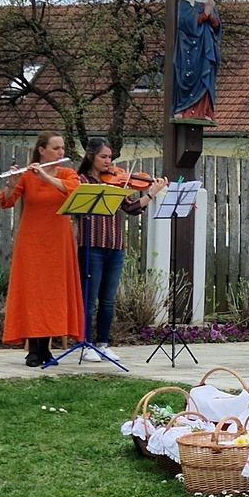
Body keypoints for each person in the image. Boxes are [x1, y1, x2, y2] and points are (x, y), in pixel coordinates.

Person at [75, 138, 169, 362]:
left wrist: (152, 192)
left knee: (108, 300)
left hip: (115, 247)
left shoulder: (117, 183)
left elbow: (132, 208)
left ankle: (103, 344)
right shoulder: (81, 181)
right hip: (91, 246)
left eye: (110, 157)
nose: (108, 161)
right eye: (103, 157)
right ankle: (85, 344)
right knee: (89, 300)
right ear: (91, 157)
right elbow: (75, 208)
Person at [0, 131, 83, 366]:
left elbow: (73, 190)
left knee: (53, 295)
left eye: (62, 148)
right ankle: (34, 351)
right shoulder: (27, 175)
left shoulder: (67, 173)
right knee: (33, 294)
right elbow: (6, 202)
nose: (61, 152)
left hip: (58, 242)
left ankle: (46, 350)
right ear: (42, 150)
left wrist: (46, 176)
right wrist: (12, 184)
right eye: (55, 148)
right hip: (32, 242)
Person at [172, 0, 221, 122]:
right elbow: (184, 22)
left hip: (206, 45)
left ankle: (203, 110)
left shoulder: (209, 1)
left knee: (206, 74)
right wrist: (204, 14)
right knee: (189, 74)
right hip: (190, 46)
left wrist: (210, 16)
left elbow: (217, 26)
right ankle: (185, 109)